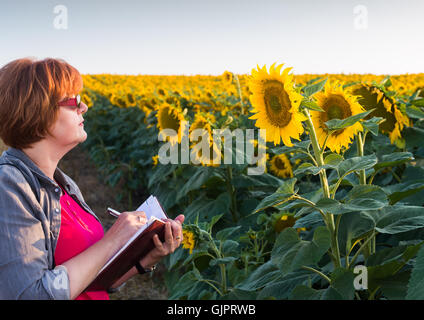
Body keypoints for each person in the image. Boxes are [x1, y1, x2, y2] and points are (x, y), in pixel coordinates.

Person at [0, 57, 185, 300]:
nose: (84, 107)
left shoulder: (64, 185)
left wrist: (143, 260)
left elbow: (89, 280)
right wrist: (112, 240)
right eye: (73, 100)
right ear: (37, 110)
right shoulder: (10, 185)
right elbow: (31, 295)